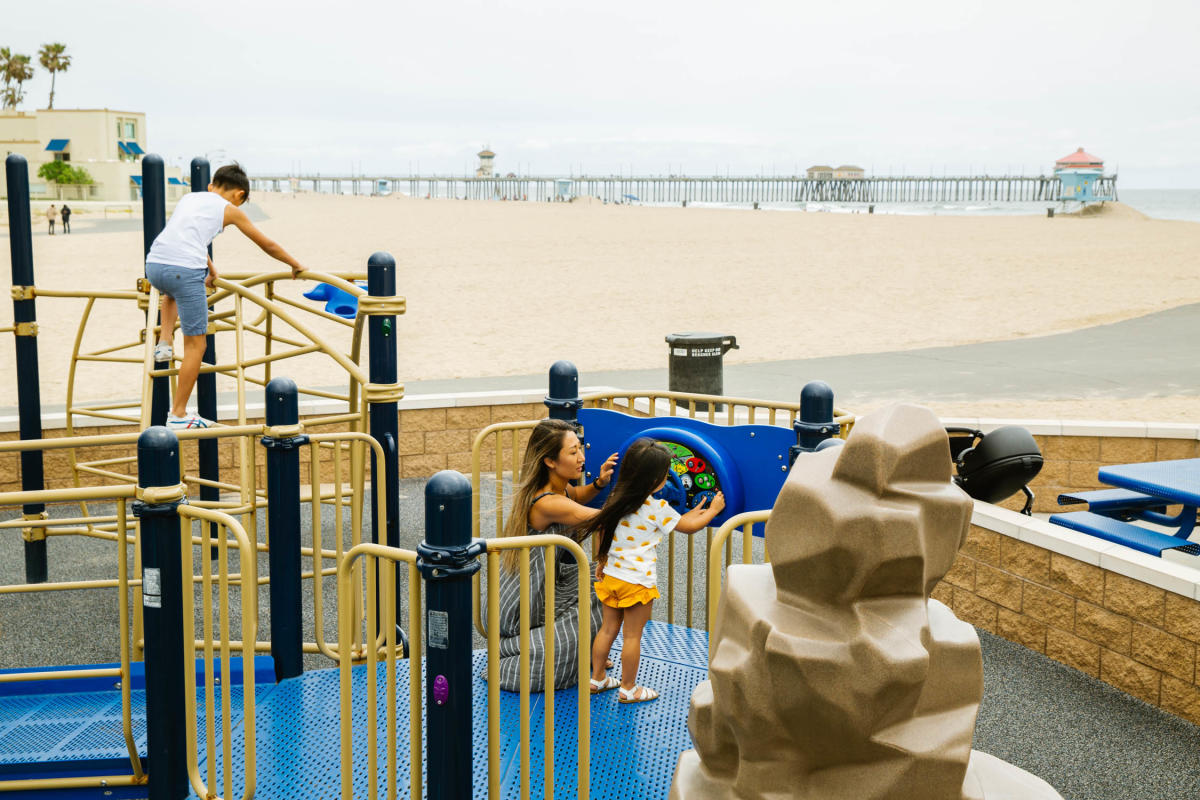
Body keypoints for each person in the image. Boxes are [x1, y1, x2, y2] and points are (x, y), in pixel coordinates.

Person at [145, 163, 305, 429]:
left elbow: (187, 235)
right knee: (197, 345)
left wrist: (210, 266)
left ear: (212, 186)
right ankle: (178, 414)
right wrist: (295, 264)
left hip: (155, 265)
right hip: (184, 270)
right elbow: (267, 244)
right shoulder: (229, 210)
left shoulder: (190, 198)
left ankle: (164, 342)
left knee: (170, 292)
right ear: (239, 195)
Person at [582, 438, 725, 703]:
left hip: (612, 576)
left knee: (607, 629)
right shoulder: (656, 508)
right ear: (656, 480)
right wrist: (713, 510)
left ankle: (597, 678)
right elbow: (689, 527)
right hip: (637, 583)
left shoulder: (616, 499)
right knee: (632, 636)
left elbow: (606, 532)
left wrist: (601, 561)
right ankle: (628, 688)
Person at [492, 418, 618, 691]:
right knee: (605, 588)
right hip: (524, 601)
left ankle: (581, 650)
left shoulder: (557, 486)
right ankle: (570, 655)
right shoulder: (549, 502)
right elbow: (602, 518)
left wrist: (598, 484)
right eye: (572, 452)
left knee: (600, 583)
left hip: (542, 586)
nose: (581, 457)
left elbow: (577, 496)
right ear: (550, 460)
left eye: (580, 448)